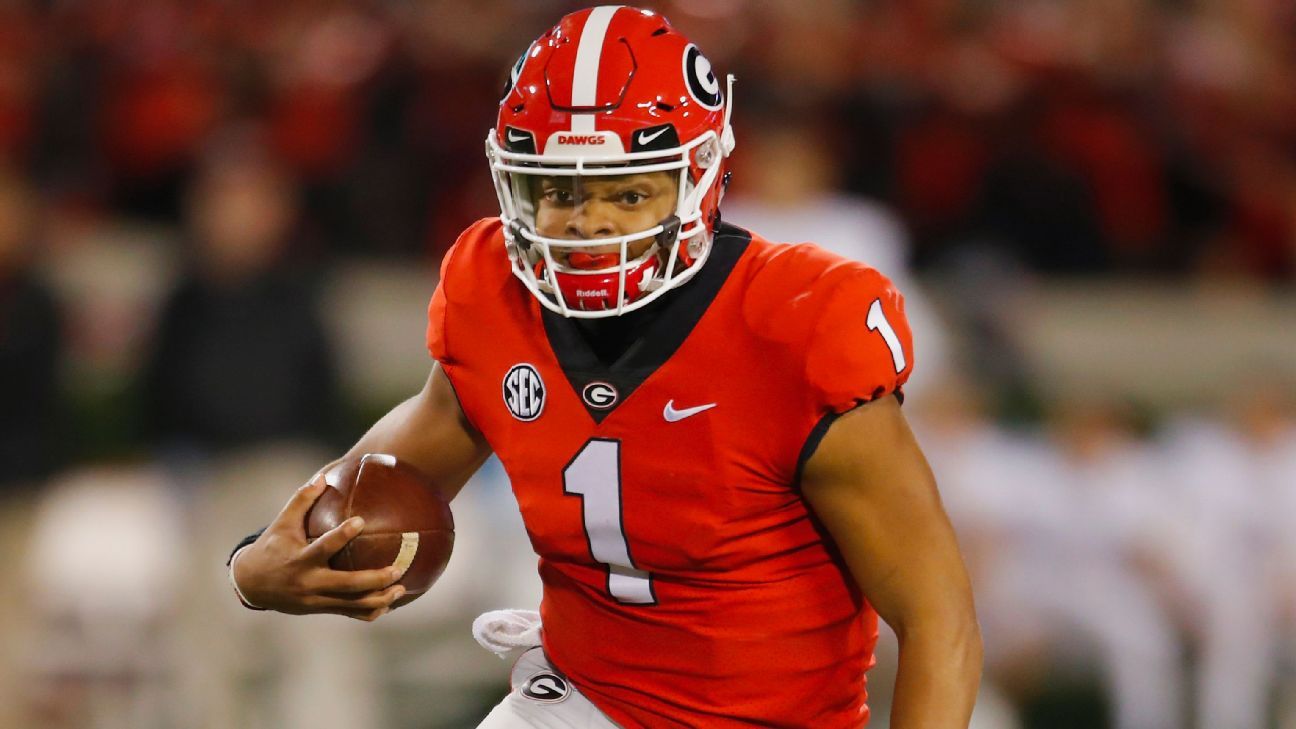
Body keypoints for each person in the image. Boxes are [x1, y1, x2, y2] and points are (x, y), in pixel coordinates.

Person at [228, 7, 981, 728]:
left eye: (627, 190)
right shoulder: (494, 291)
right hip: (577, 701)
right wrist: (255, 567)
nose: (589, 220)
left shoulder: (796, 325)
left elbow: (936, 616)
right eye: (559, 189)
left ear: (699, 178)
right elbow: (385, 478)